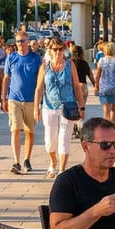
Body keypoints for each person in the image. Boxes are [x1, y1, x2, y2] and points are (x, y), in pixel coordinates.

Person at [34, 37, 84, 178]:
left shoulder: (70, 65)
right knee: (49, 141)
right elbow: (39, 89)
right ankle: (53, 162)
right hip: (49, 106)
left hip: (68, 106)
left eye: (60, 49)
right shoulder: (44, 67)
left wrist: (82, 106)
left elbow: (77, 86)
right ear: (49, 50)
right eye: (55, 49)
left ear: (64, 50)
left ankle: (62, 170)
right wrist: (36, 107)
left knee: (64, 138)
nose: (58, 52)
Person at [2, 31, 42, 175]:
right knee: (15, 129)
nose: (20, 44)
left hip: (31, 99)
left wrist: (39, 102)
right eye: (18, 41)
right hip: (14, 99)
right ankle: (16, 161)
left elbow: (40, 80)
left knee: (29, 131)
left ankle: (27, 159)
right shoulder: (11, 58)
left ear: (28, 42)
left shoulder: (36, 58)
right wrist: (3, 98)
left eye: (23, 41)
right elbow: (6, 78)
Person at [94, 41, 115, 126]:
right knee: (114, 109)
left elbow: (98, 75)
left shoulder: (101, 60)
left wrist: (96, 86)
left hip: (104, 87)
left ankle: (106, 128)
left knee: (106, 109)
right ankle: (113, 127)